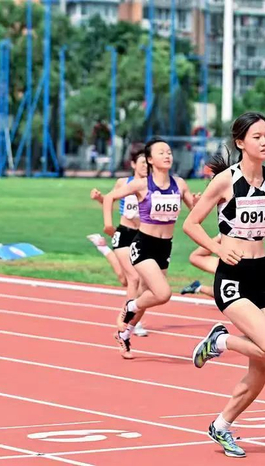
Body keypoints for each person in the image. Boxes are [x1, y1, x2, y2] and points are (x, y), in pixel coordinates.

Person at [183, 112, 265, 458]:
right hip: (233, 277)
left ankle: (221, 426)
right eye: (257, 137)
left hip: (261, 275)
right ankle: (220, 341)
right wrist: (218, 248)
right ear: (240, 142)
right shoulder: (225, 181)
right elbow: (191, 224)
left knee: (264, 368)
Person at [102, 137, 198, 359]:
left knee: (148, 294)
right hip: (143, 245)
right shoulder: (142, 184)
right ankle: (130, 307)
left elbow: (195, 211)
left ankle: (124, 335)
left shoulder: (180, 184)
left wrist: (197, 202)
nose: (167, 155)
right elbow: (109, 198)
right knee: (162, 293)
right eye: (161, 152)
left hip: (164, 247)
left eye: (169, 152)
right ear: (150, 159)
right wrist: (108, 224)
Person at [89, 145, 149, 337]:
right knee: (134, 278)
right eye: (142, 163)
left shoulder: (153, 185)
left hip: (144, 236)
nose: (145, 166)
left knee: (126, 280)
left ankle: (104, 249)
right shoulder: (123, 183)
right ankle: (130, 322)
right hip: (124, 234)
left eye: (148, 163)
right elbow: (110, 200)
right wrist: (100, 198)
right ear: (133, 164)